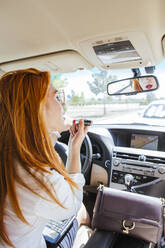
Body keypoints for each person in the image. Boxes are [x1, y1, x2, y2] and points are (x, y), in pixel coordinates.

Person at [0, 68, 90, 248]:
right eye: (57, 97)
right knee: (82, 212)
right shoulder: (35, 176)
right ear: (35, 110)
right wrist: (74, 151)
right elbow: (72, 203)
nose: (63, 103)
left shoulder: (11, 156)